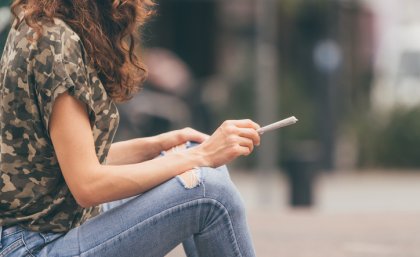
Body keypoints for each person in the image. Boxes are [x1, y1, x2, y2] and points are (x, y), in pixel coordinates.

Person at [0, 1, 260, 256]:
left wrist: (159, 146)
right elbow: (87, 185)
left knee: (192, 152)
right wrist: (199, 157)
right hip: (36, 246)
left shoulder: (40, 20)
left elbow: (68, 161)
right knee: (212, 193)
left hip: (47, 229)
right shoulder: (54, 41)